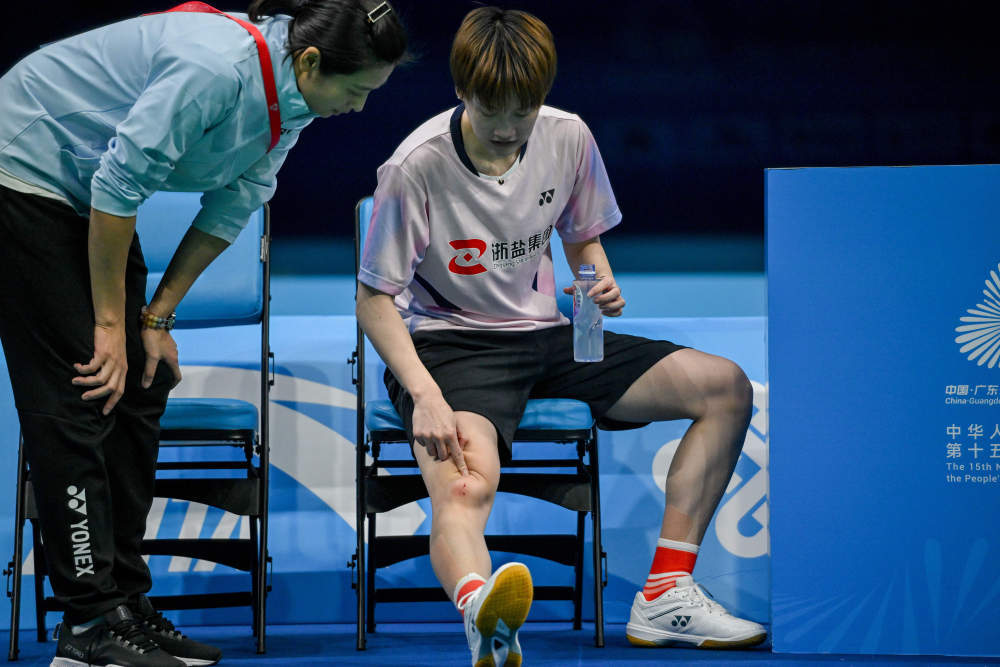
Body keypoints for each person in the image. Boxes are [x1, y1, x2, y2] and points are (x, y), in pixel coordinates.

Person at [356, 6, 766, 665]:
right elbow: (374, 300)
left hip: (550, 337)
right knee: (464, 484)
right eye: (492, 109)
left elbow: (583, 242)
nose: (508, 127)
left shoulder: (569, 137)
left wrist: (598, 285)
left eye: (524, 110)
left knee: (724, 387)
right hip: (452, 346)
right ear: (462, 90)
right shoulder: (415, 166)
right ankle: (481, 614)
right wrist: (425, 395)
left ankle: (665, 593)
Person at [0, 1, 407, 665]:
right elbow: (119, 183)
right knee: (86, 387)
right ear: (311, 62)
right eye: (356, 90)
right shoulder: (216, 69)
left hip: (82, 191)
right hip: (23, 166)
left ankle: (123, 603)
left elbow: (231, 207)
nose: (359, 107)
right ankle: (88, 621)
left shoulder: (291, 105)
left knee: (142, 380)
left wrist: (155, 319)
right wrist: (109, 325)